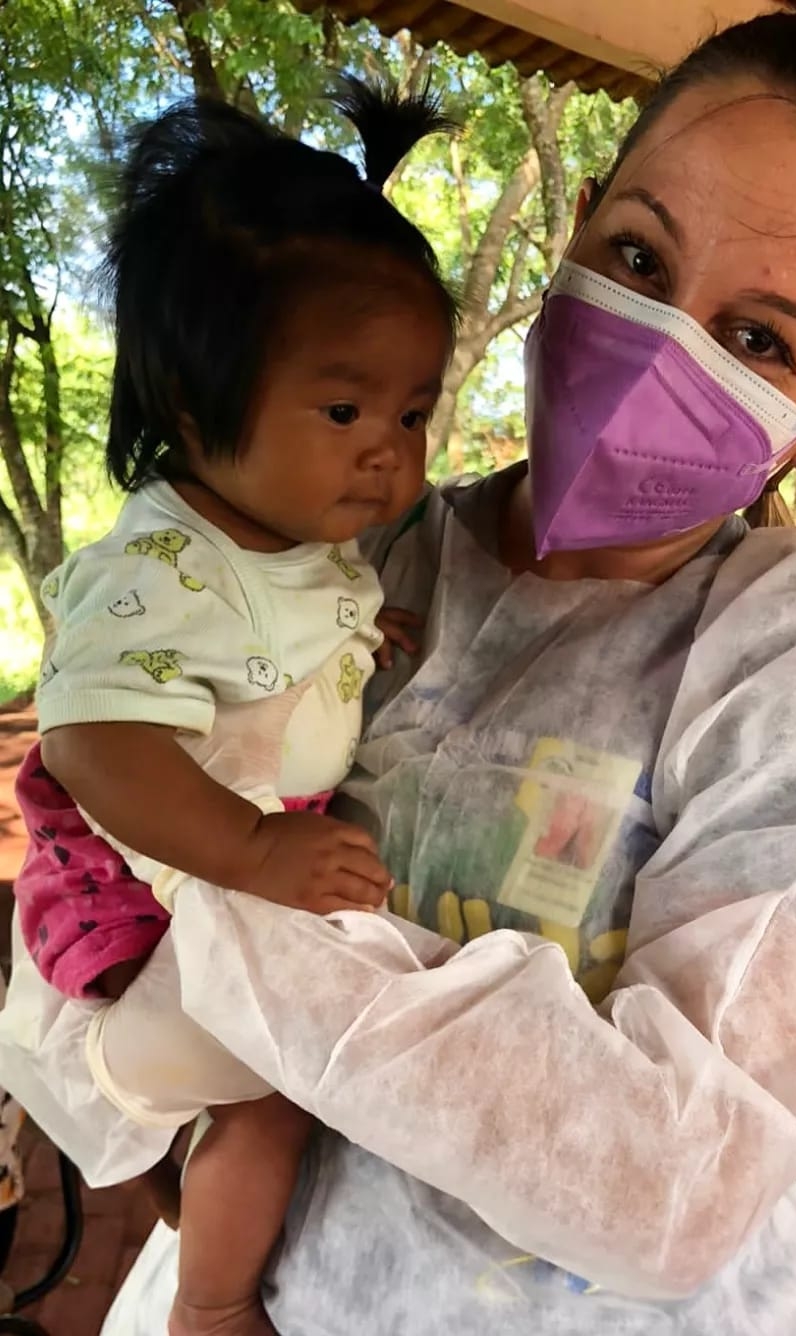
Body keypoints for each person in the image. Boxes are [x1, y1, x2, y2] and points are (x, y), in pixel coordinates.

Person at [0, 13, 796, 1335]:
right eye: (637, 255)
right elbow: (81, 923)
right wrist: (127, 1068)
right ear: (572, 228)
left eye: (758, 338)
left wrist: (228, 952)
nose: (659, 347)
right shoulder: (340, 554)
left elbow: (669, 1181)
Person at [5, 82, 456, 1336]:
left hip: (231, 878)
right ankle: (208, 1304)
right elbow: (94, 739)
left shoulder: (302, 540)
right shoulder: (161, 564)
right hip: (140, 880)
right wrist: (253, 850)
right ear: (198, 411)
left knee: (257, 1084)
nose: (391, 451)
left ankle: (182, 1191)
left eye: (414, 410)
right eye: (346, 409)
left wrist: (371, 640)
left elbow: (293, 638)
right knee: (273, 1091)